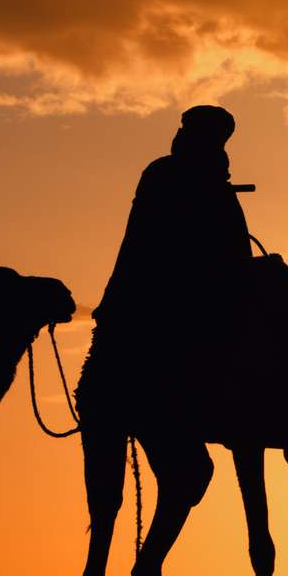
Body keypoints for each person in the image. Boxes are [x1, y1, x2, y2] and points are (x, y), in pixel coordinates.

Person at [87, 105, 254, 414]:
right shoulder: (168, 176)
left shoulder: (203, 183)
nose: (178, 136)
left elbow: (238, 247)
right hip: (164, 291)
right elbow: (140, 238)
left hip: (192, 292)